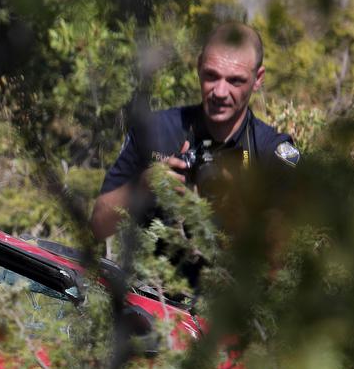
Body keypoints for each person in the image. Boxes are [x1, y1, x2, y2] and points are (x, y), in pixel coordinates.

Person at [90, 22, 299, 247]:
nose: (220, 92)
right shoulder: (155, 131)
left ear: (258, 79)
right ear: (199, 66)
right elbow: (98, 226)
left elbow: (292, 255)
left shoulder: (271, 152)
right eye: (211, 76)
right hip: (152, 280)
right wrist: (144, 186)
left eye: (235, 80)